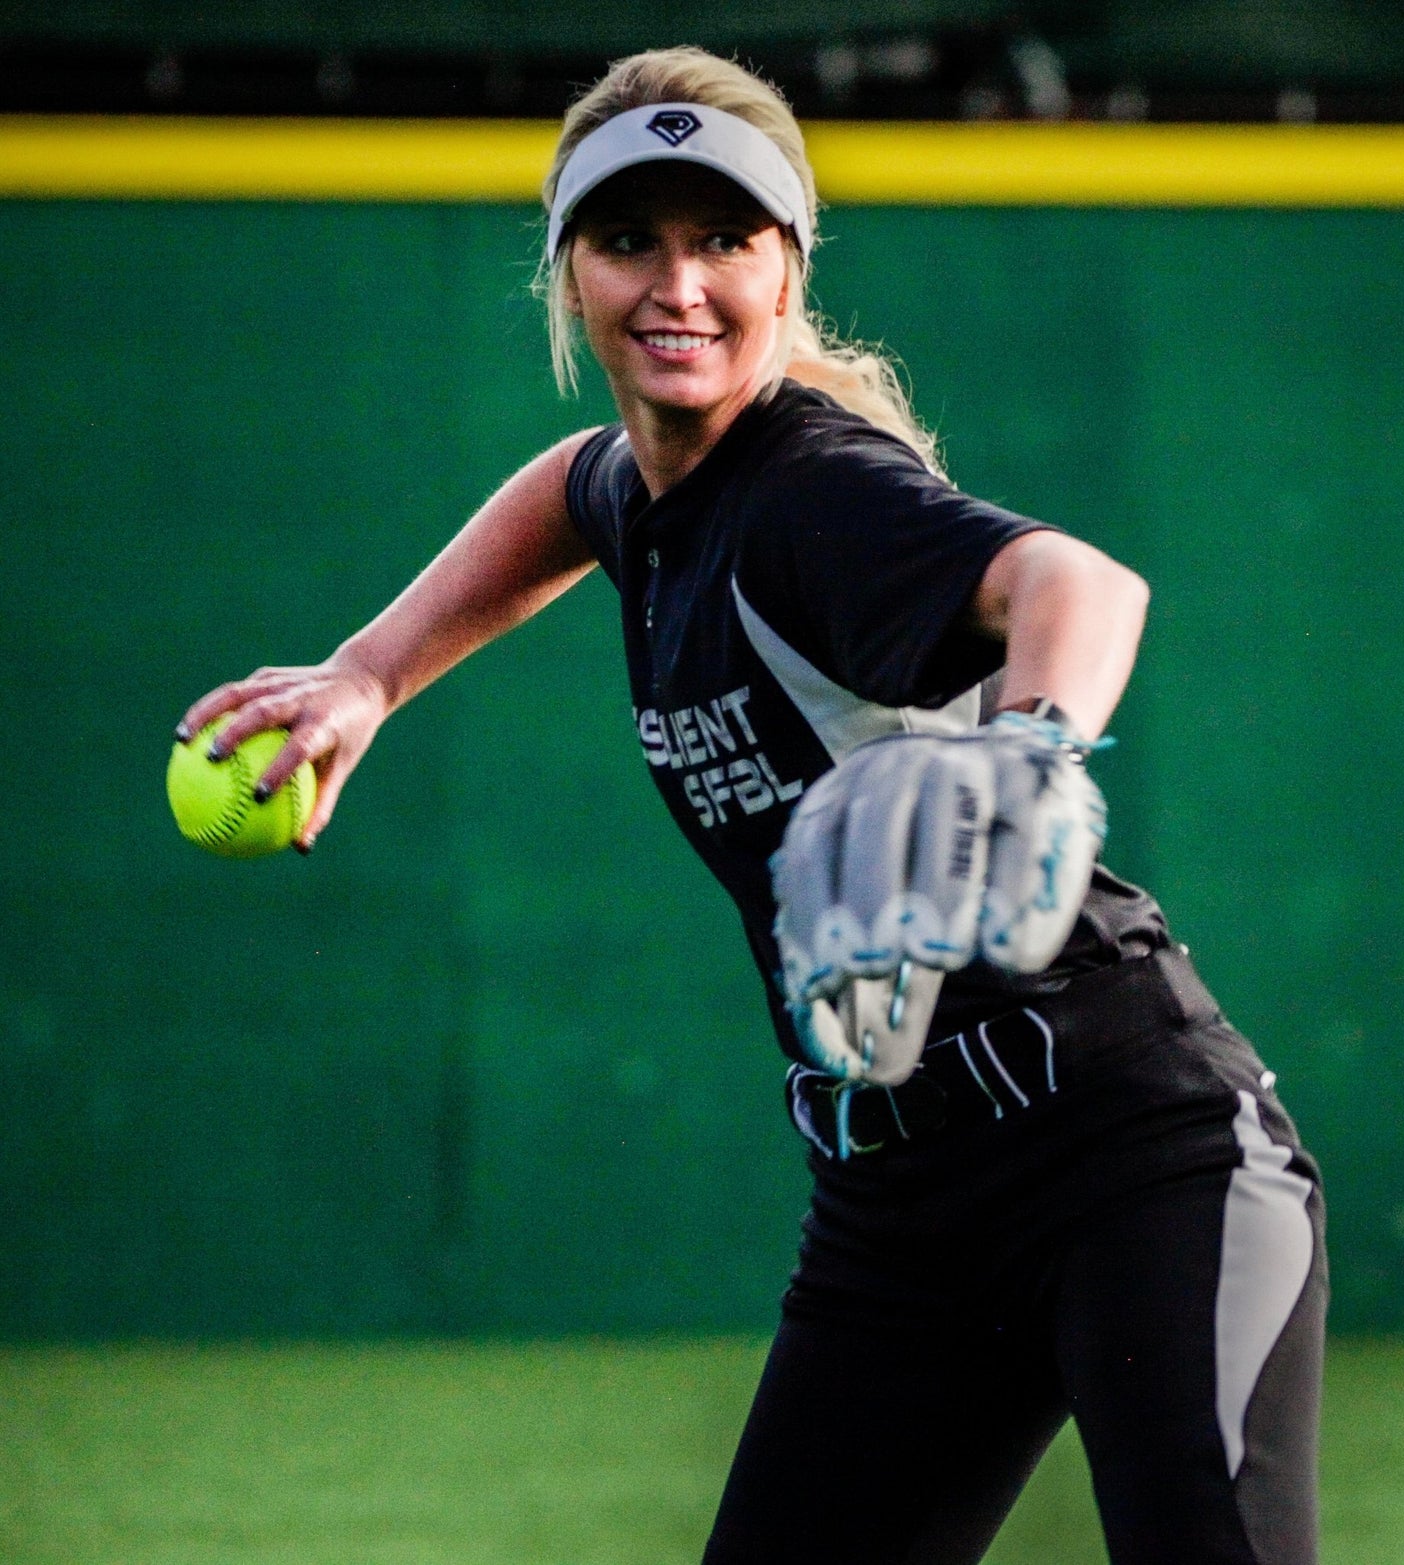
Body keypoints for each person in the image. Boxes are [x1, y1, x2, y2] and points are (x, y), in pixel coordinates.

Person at [178, 46, 1327, 1565]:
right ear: (567, 273)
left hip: (1137, 1155)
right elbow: (572, 490)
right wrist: (369, 674)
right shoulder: (651, 494)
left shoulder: (810, 488)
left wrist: (1034, 748)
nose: (680, 285)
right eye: (629, 239)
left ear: (791, 273)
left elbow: (1078, 579)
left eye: (726, 239)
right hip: (901, 1205)